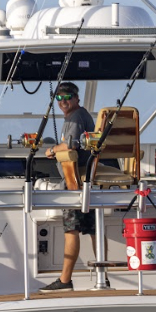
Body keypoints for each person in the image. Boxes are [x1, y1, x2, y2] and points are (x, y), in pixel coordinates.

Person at [41, 82, 96, 291]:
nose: (63, 102)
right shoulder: (78, 115)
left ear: (76, 98)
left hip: (75, 182)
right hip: (87, 180)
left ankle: (65, 281)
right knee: (93, 230)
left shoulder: (75, 118)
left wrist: (52, 150)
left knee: (71, 229)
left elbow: (70, 145)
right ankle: (105, 277)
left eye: (67, 97)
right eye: (59, 99)